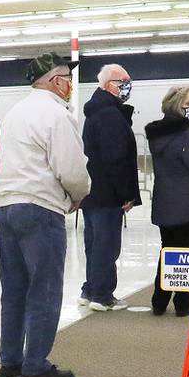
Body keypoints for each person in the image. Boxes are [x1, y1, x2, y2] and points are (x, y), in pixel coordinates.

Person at [0, 53, 90, 377]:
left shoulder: (14, 112)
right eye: (67, 77)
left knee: (15, 288)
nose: (70, 84)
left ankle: (10, 360)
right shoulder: (56, 115)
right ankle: (35, 365)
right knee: (44, 288)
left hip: (6, 206)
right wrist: (79, 193)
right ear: (54, 81)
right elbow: (71, 169)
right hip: (39, 206)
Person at [146, 85, 189, 317]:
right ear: (178, 106)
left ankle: (159, 300)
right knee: (186, 253)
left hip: (164, 200)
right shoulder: (186, 134)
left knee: (167, 250)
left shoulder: (156, 135)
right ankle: (182, 304)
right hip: (186, 203)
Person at [79, 63, 141, 312]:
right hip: (107, 192)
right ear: (107, 86)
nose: (127, 85)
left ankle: (90, 289)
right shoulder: (110, 115)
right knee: (106, 244)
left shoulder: (97, 111)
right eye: (121, 81)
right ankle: (103, 294)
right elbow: (116, 158)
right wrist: (127, 194)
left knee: (94, 244)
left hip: (93, 191)